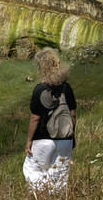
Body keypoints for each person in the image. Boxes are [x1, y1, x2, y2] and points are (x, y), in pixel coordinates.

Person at [24, 48, 77, 190]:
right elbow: (72, 114)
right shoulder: (67, 88)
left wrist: (29, 140)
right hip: (65, 139)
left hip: (43, 140)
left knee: (34, 173)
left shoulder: (39, 90)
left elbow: (35, 118)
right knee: (59, 179)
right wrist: (71, 136)